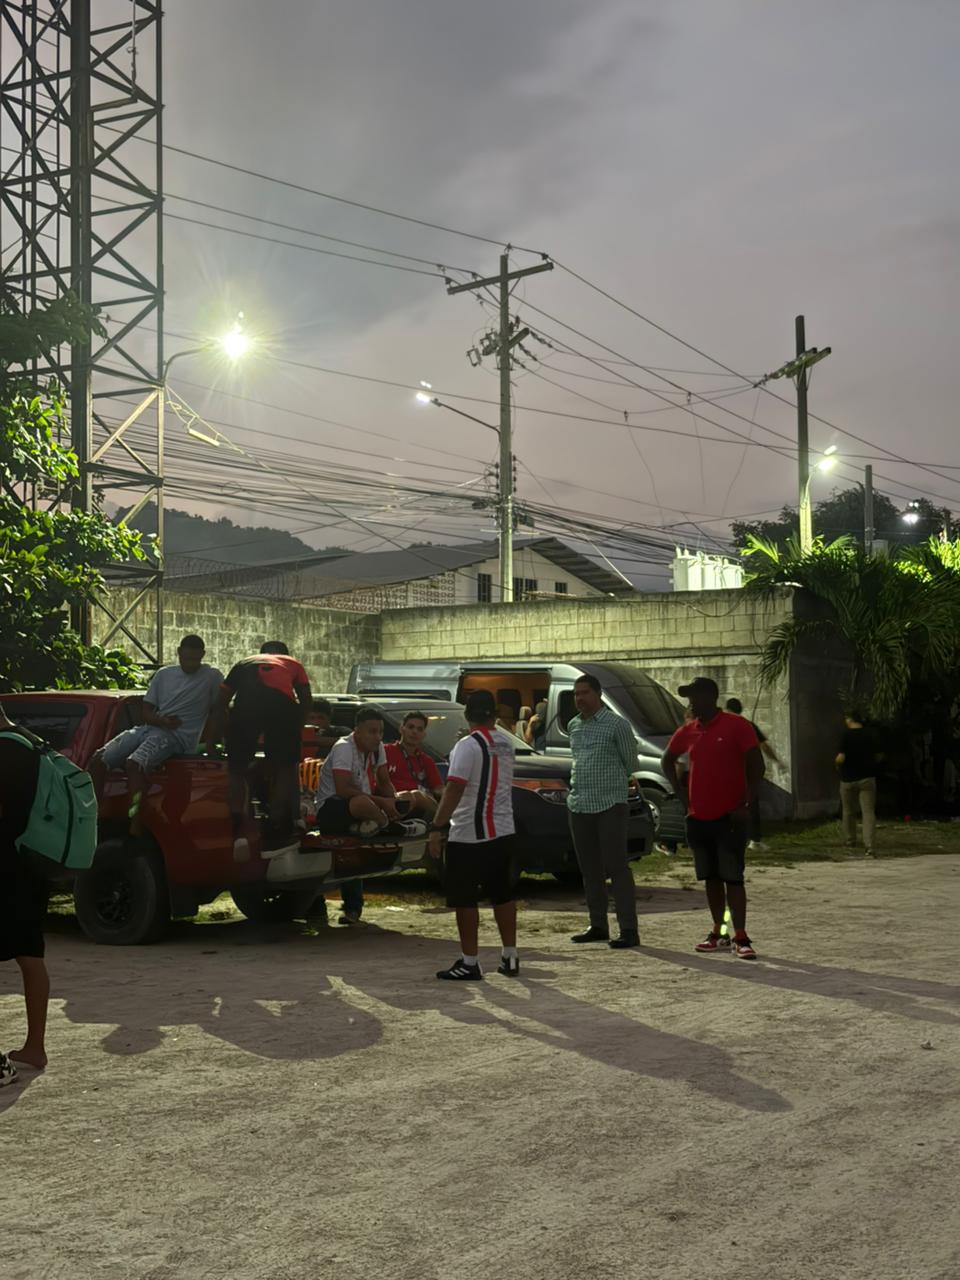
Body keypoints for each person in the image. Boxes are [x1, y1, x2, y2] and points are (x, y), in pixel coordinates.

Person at [662, 676, 764, 960]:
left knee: (733, 878)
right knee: (711, 878)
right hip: (699, 818)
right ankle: (719, 931)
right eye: (688, 697)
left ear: (711, 697)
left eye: (694, 696)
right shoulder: (688, 731)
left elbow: (758, 764)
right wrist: (681, 796)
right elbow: (667, 760)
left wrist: (747, 802)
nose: (691, 702)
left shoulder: (736, 726)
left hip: (730, 817)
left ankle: (740, 935)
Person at [89, 635, 223, 835]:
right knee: (98, 760)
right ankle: (93, 813)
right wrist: (161, 720)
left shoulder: (212, 676)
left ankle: (135, 818)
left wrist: (211, 744)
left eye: (195, 660)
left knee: (135, 764)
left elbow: (218, 712)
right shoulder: (164, 675)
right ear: (178, 653)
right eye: (186, 659)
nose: (190, 664)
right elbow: (146, 712)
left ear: (203, 656)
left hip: (177, 738)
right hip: (150, 728)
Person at [427, 690, 519, 980]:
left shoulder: (466, 746)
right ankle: (510, 955)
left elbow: (455, 788)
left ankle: (470, 961)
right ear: (493, 714)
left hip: (469, 831)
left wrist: (437, 827)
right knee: (502, 894)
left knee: (465, 899)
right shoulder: (506, 742)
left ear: (467, 715)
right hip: (503, 829)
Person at [314, 707, 418, 925]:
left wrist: (394, 803)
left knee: (410, 797)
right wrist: (382, 805)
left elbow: (384, 781)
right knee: (362, 803)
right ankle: (386, 825)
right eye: (371, 731)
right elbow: (342, 789)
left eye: (380, 731)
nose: (377, 736)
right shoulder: (344, 748)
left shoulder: (378, 748)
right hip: (332, 808)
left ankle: (353, 909)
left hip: (360, 806)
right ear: (357, 732)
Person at [565, 673, 640, 949]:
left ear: (598, 694)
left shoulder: (616, 725)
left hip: (610, 804)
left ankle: (629, 929)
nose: (579, 698)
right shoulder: (574, 726)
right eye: (576, 694)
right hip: (580, 804)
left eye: (584, 693)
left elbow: (630, 762)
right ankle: (598, 924)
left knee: (617, 867)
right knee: (589, 869)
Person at [220, 641, 312, 860]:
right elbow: (306, 700)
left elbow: (221, 700)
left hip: (245, 709)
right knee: (285, 768)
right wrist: (295, 728)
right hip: (282, 709)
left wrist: (225, 735)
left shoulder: (244, 663)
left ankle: (237, 821)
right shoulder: (293, 664)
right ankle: (276, 823)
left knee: (237, 769)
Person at [0, 705, 50, 1085]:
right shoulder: (32, 743)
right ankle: (35, 1045)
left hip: (6, 863)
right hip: (34, 861)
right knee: (30, 954)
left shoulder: (5, 750)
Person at [725, 697, 782, 853]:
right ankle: (754, 840)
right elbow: (764, 746)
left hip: (728, 772)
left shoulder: (721, 726)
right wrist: (777, 761)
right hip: (747, 772)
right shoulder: (747, 725)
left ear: (727, 709)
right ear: (740, 710)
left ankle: (729, 838)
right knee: (751, 805)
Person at [836, 710, 879, 855]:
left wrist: (836, 764)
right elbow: (879, 755)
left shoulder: (846, 735)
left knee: (848, 811)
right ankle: (870, 846)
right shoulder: (870, 735)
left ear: (850, 720)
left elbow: (841, 757)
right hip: (867, 778)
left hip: (848, 779)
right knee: (868, 812)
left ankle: (850, 841)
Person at [385, 711, 443, 819]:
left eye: (419, 729)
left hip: (422, 805)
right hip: (394, 801)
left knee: (417, 795)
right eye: (411, 727)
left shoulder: (426, 760)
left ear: (423, 734)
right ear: (402, 729)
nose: (415, 732)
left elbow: (438, 788)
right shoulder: (385, 752)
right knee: (409, 795)